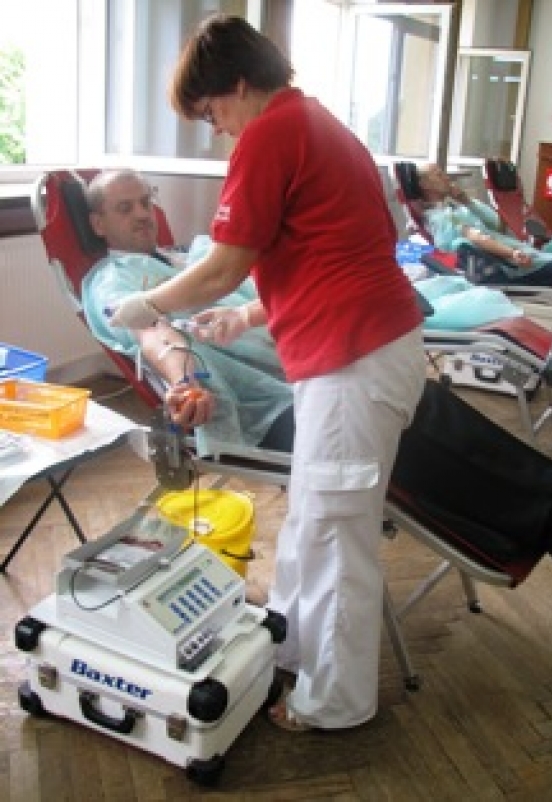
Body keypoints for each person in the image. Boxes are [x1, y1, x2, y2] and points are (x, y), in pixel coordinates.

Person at [107, 14, 427, 733]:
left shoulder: (272, 132)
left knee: (334, 535)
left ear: (239, 84)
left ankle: (335, 703)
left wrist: (149, 304)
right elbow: (327, 249)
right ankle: (286, 652)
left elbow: (224, 266)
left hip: (354, 359)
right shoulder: (318, 124)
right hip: (365, 349)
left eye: (212, 112)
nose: (218, 130)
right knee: (314, 521)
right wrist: (248, 318)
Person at [82, 168, 294, 454]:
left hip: (300, 357)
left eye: (145, 203)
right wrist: (186, 383)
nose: (142, 214)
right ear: (98, 224)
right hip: (260, 398)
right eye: (125, 208)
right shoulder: (112, 281)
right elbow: (152, 331)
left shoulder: (194, 258)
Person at [416, 164, 552, 317]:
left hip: (517, 256)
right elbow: (476, 237)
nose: (446, 177)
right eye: (438, 175)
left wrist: (466, 200)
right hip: (507, 267)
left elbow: (496, 223)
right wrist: (512, 253)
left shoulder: (456, 209)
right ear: (425, 185)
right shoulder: (440, 217)